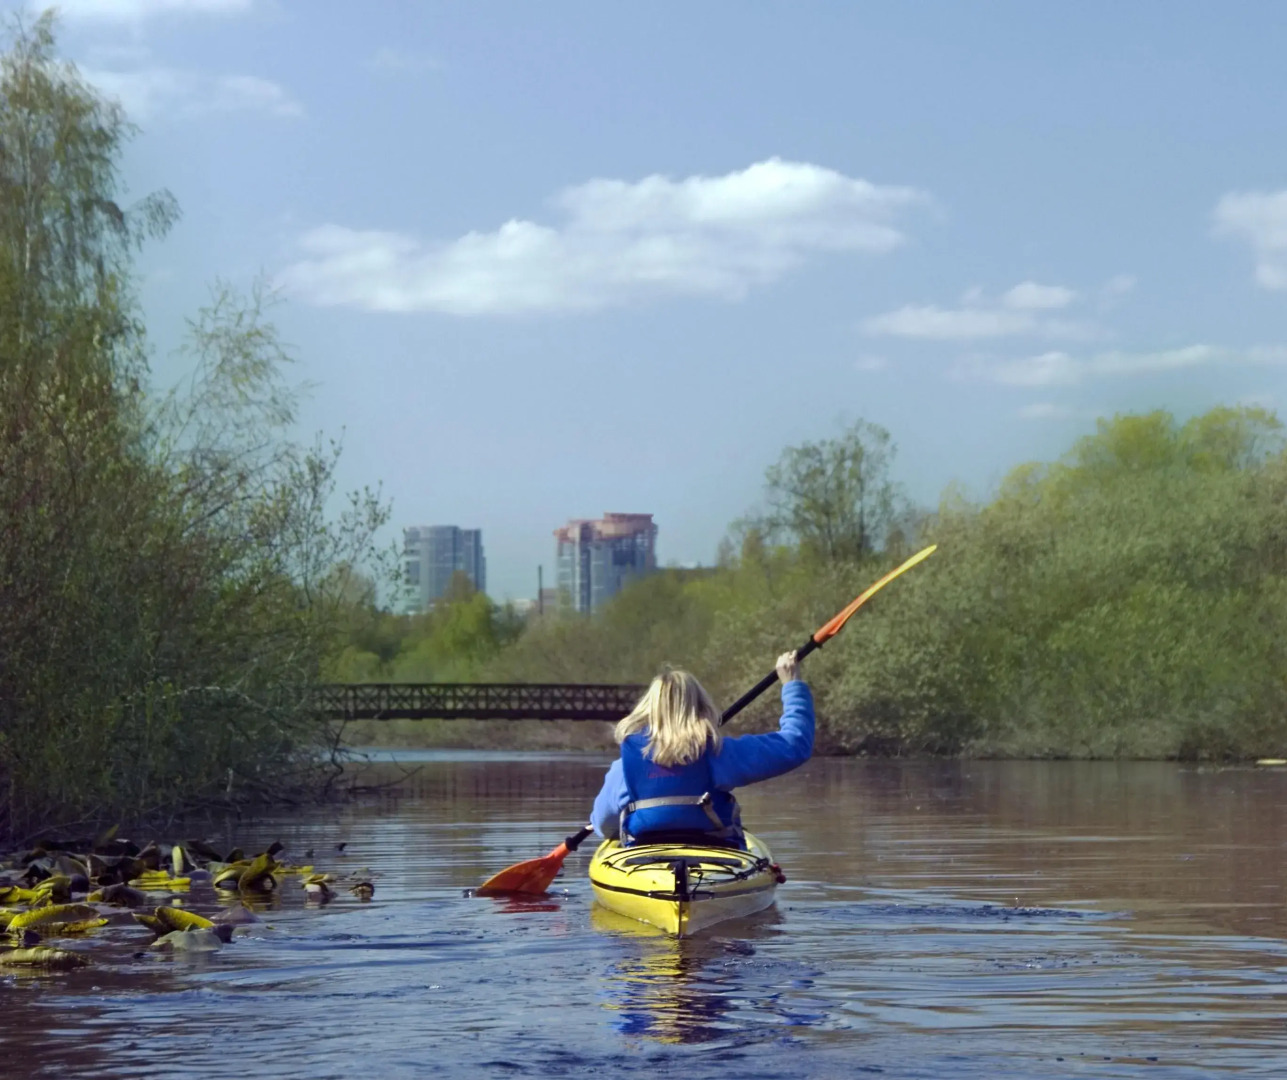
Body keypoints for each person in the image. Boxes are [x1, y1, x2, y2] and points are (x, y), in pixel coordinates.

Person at [590, 651, 814, 848]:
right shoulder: (720, 753)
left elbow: (603, 824)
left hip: (645, 858)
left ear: (647, 711)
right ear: (702, 707)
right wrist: (792, 684)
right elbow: (796, 744)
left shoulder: (624, 768)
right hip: (715, 854)